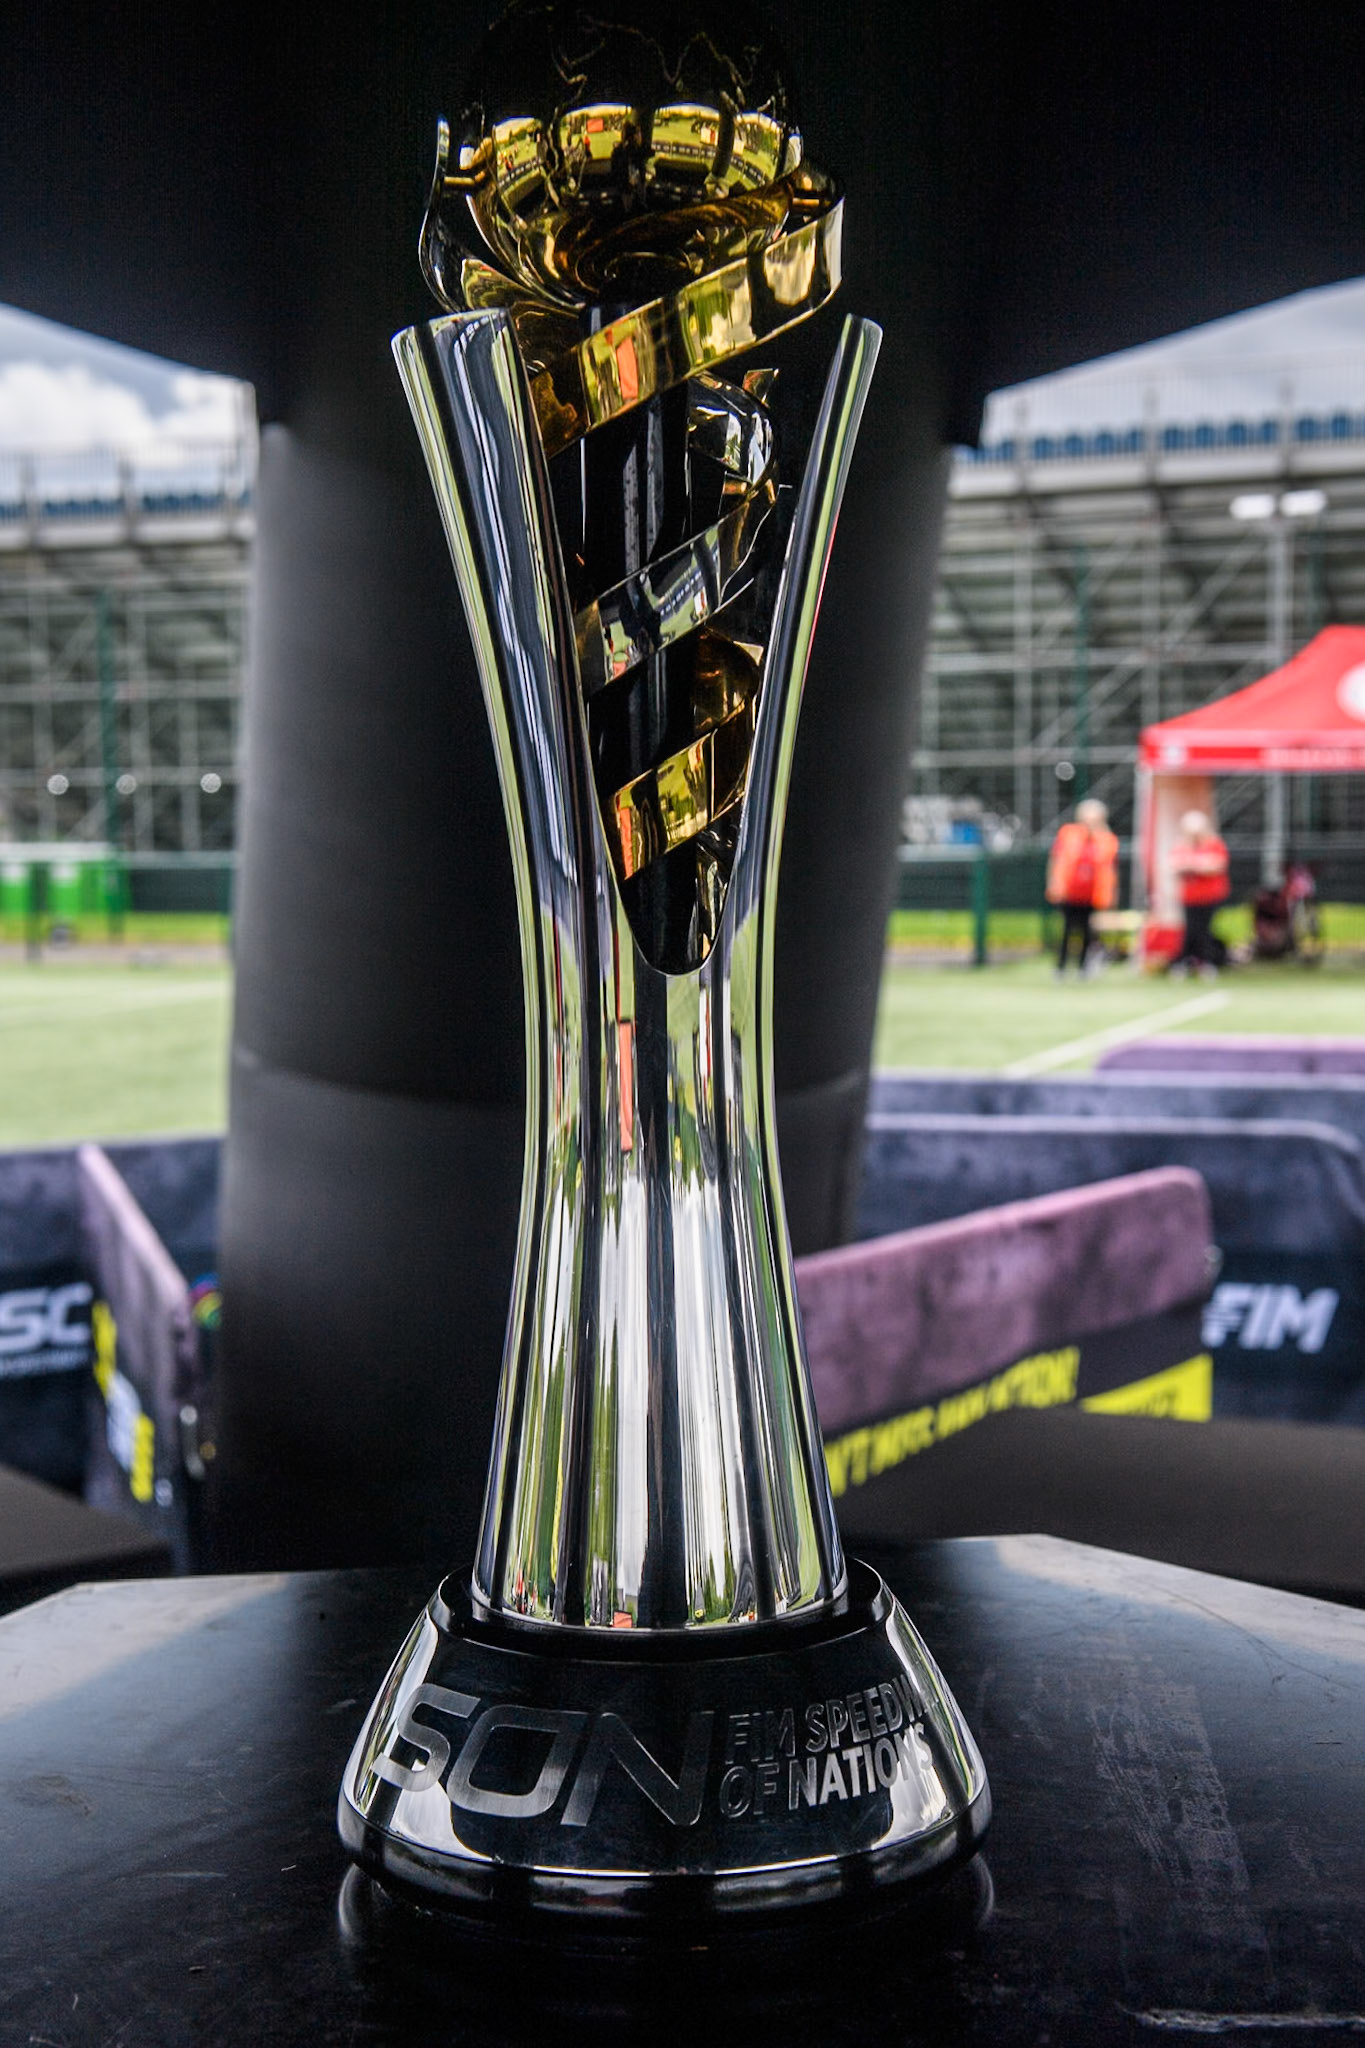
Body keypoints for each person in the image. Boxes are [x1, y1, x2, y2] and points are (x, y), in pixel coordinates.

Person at [1046, 798, 1119, 974]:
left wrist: (1112, 893)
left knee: (1088, 930)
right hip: (1070, 892)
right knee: (1067, 928)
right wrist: (1053, 882)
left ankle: (1083, 966)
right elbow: (1056, 859)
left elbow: (1110, 868)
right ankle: (1061, 966)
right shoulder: (1068, 834)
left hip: (1092, 893)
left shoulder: (1106, 839)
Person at [1170, 809, 1230, 975]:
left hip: (1209, 895)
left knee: (1205, 930)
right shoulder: (1182, 845)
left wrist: (1194, 865)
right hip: (1189, 896)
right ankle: (1184, 962)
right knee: (1190, 930)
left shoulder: (1213, 844)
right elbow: (1175, 865)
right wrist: (1199, 865)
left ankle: (1206, 963)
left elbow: (1216, 865)